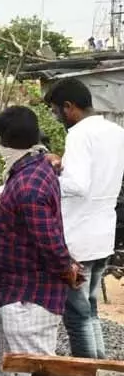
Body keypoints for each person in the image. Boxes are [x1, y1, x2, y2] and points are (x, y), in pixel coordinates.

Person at [0, 106, 80, 376]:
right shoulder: (32, 167)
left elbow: (49, 241)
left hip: (29, 294)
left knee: (34, 375)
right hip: (7, 289)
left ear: (4, 142)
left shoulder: (30, 183)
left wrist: (67, 269)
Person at [46, 79, 124, 358]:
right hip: (102, 234)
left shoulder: (79, 134)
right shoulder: (116, 131)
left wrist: (51, 175)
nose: (57, 118)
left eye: (56, 111)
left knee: (77, 317)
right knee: (90, 310)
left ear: (69, 107)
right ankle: (100, 371)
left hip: (77, 237)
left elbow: (77, 185)